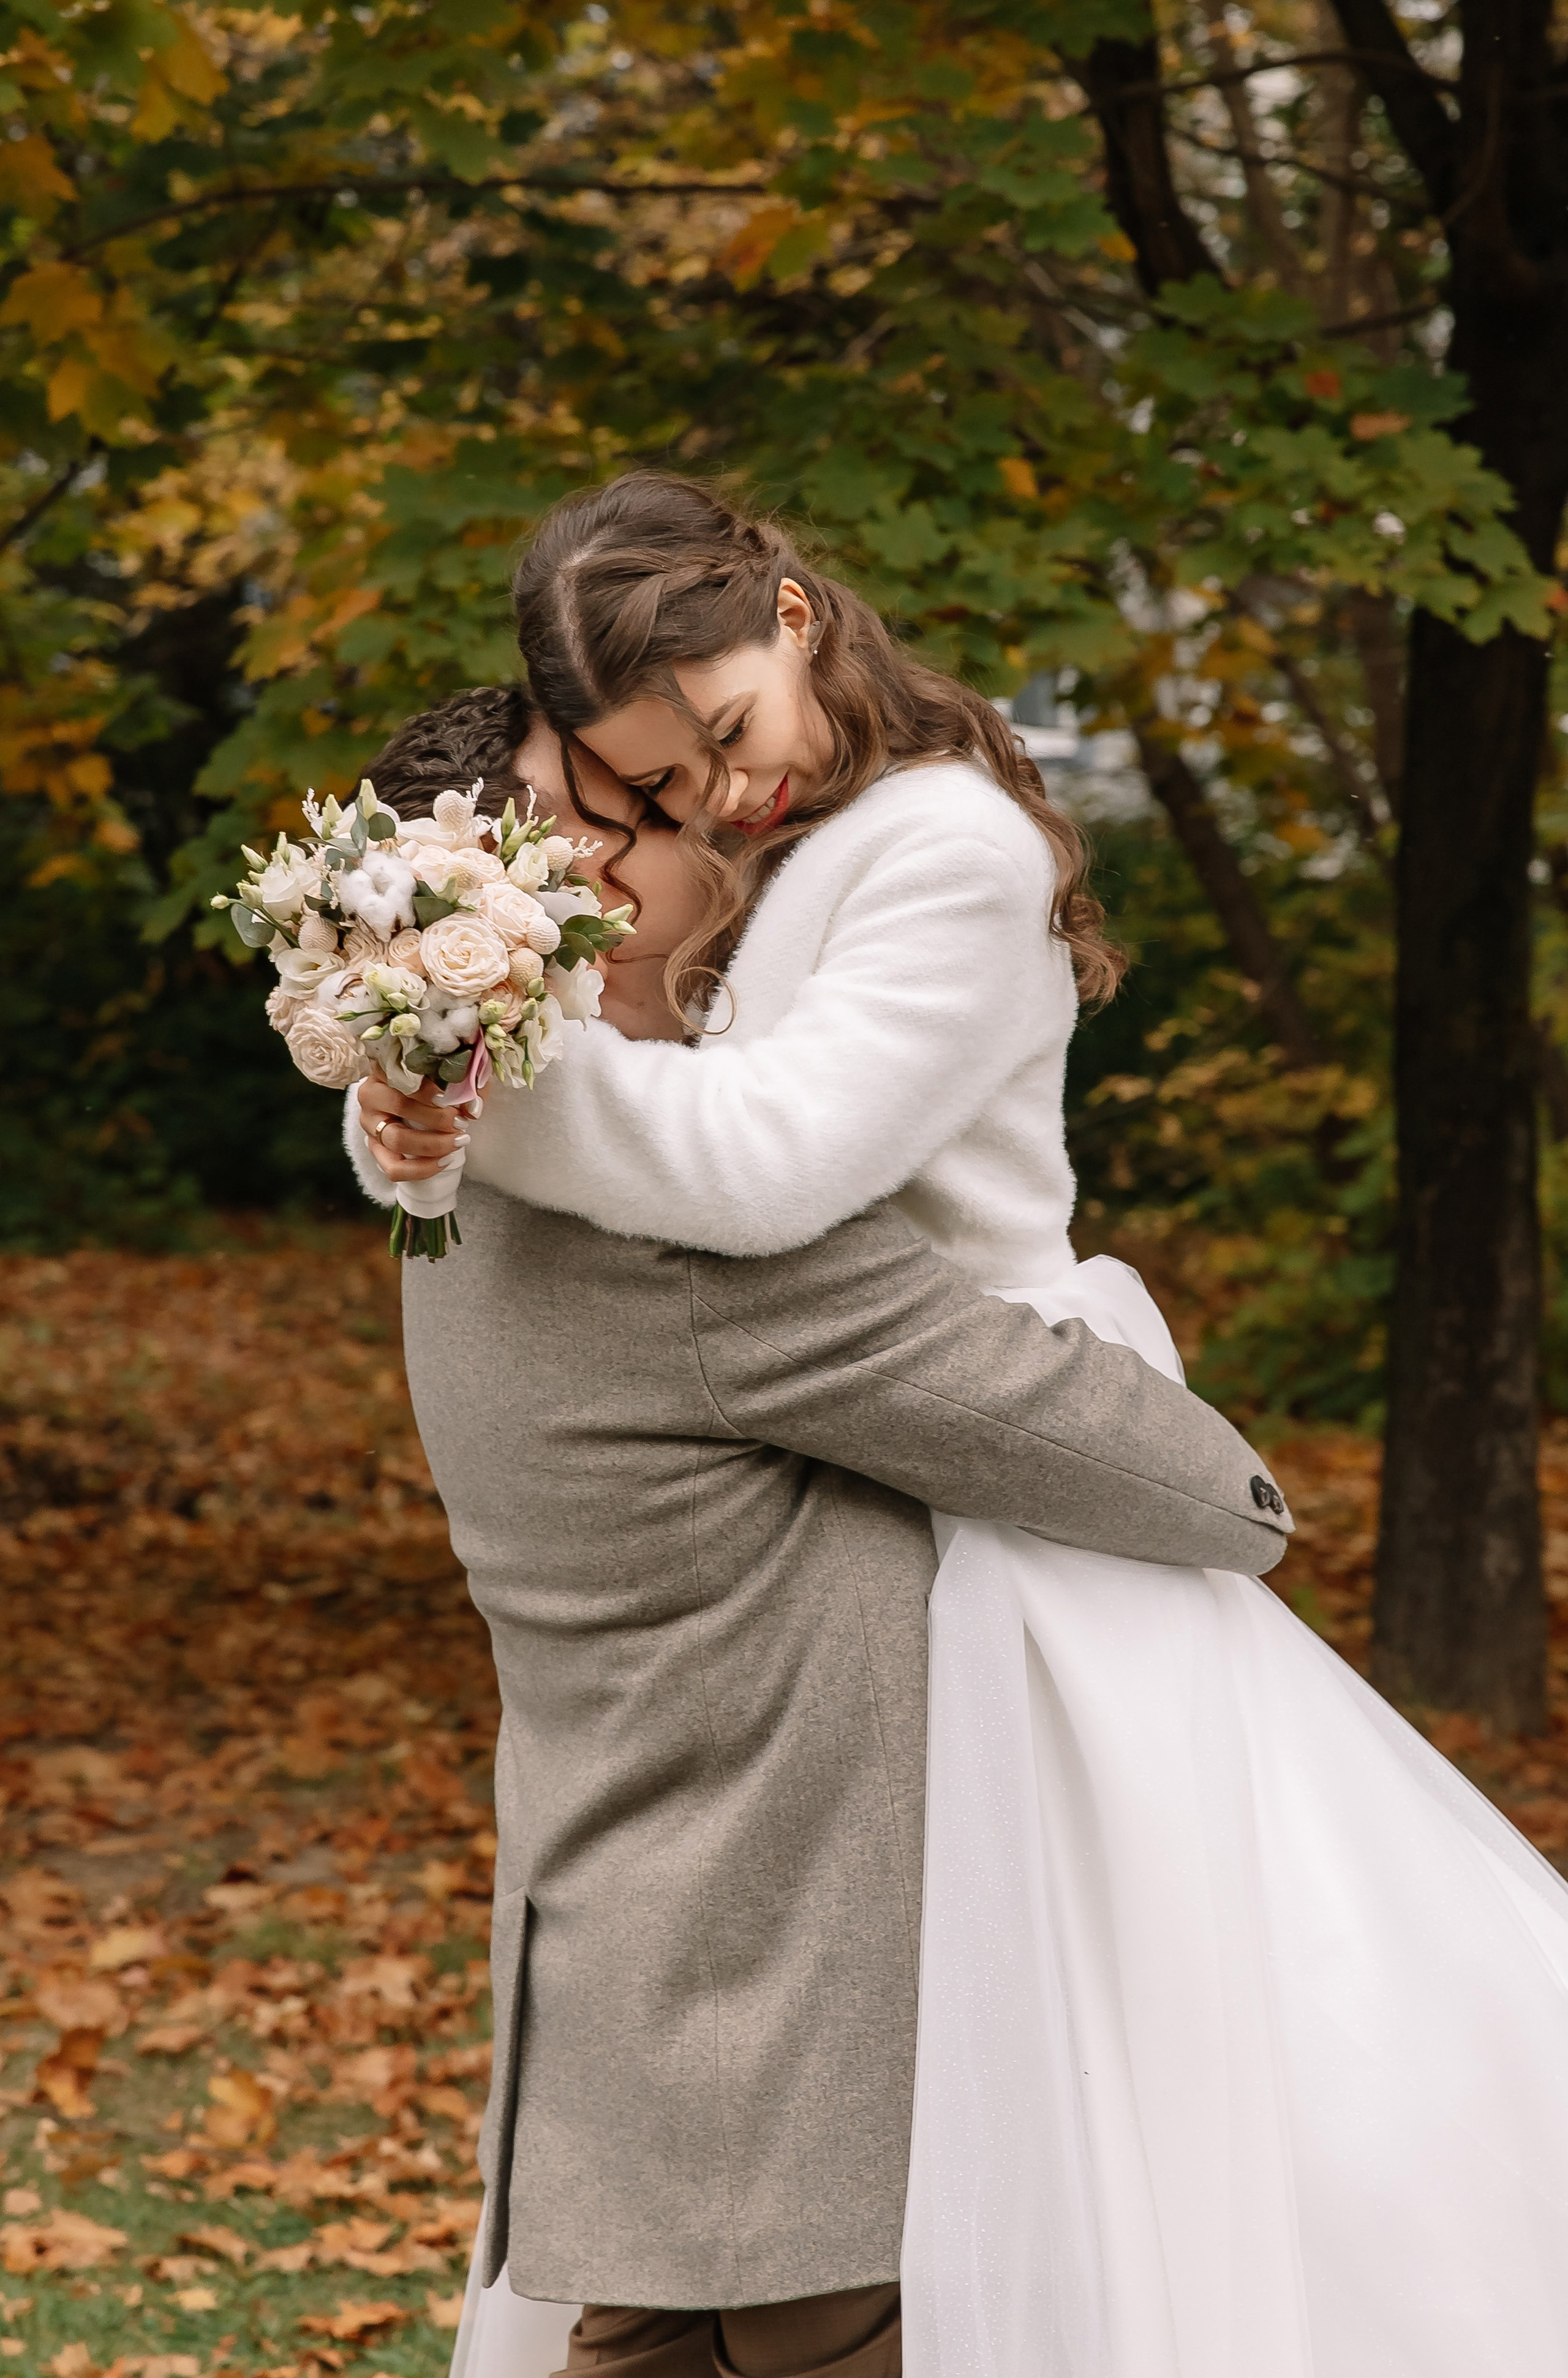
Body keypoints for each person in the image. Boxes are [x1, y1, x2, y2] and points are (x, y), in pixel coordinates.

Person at [356, 471, 1568, 2378]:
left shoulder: (933, 844)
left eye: (714, 756)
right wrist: (451, 1069)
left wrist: (467, 1075)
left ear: (798, 616)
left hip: (964, 1460)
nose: (705, 812)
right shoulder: (656, 1105)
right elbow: (754, 1202)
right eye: (650, 801)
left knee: (1199, 2053)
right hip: (904, 1474)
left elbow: (782, 1161)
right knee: (1087, 2122)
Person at [342, 677, 1295, 2378]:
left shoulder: (468, 1163)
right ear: (564, 890)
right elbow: (1108, 1448)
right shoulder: (709, 1237)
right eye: (637, 804)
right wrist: (1222, 1453)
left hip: (619, 1923)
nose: (708, 818)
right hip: (780, 1969)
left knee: (645, 2343)